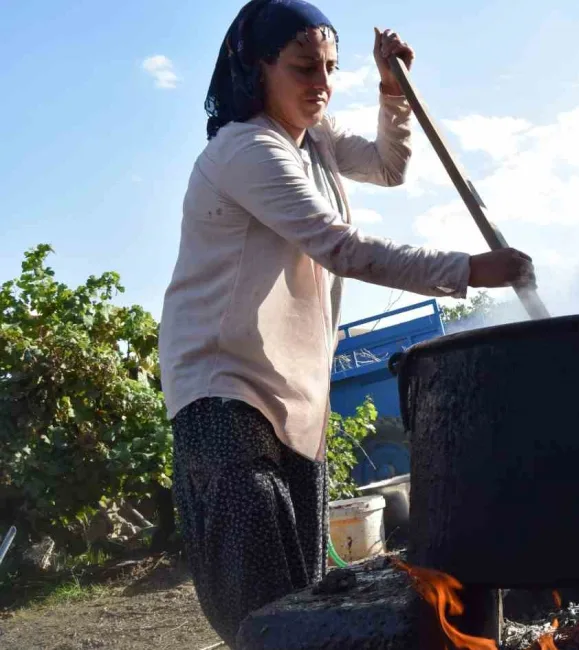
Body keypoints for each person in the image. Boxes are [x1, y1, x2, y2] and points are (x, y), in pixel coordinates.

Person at [157, 1, 535, 645]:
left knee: (301, 599)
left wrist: (393, 91)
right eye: (305, 68)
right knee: (263, 608)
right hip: (225, 391)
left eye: (331, 69)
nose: (322, 85)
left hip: (294, 393)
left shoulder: (319, 141)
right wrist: (471, 268)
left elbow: (391, 167)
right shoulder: (246, 151)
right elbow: (342, 248)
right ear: (257, 68)